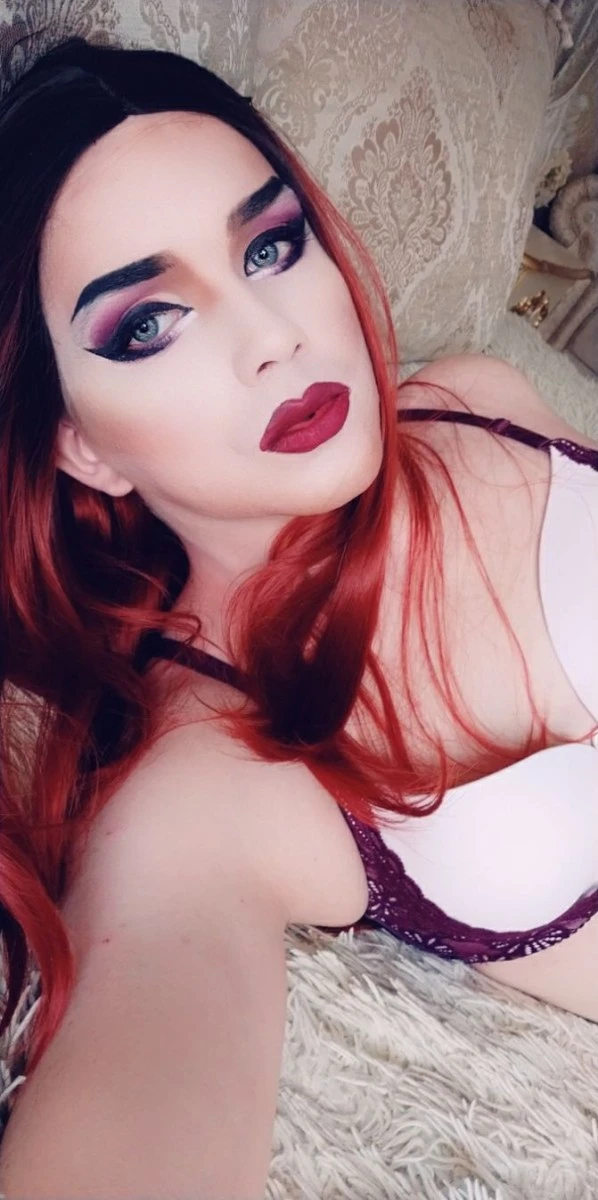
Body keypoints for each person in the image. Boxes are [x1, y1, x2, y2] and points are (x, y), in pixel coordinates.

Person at [0, 33, 597, 1199]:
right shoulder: (207, 786)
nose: (271, 336)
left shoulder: (478, 397)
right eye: (148, 324)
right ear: (78, 444)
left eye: (270, 246)